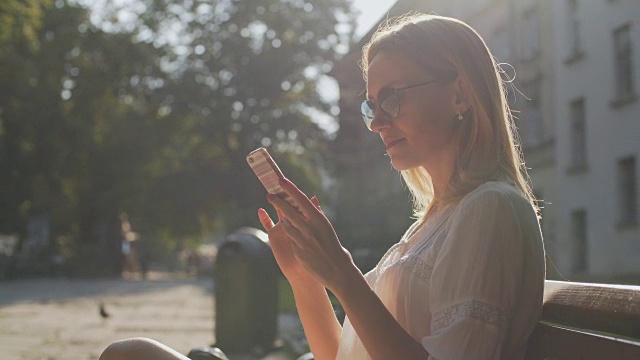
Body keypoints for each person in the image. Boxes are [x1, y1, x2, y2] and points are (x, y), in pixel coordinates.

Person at [99, 13, 545, 360]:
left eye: (392, 96)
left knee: (128, 356)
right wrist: (306, 278)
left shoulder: (491, 208)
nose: (378, 124)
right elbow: (338, 354)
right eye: (372, 107)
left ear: (460, 94)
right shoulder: (434, 221)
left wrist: (343, 275)